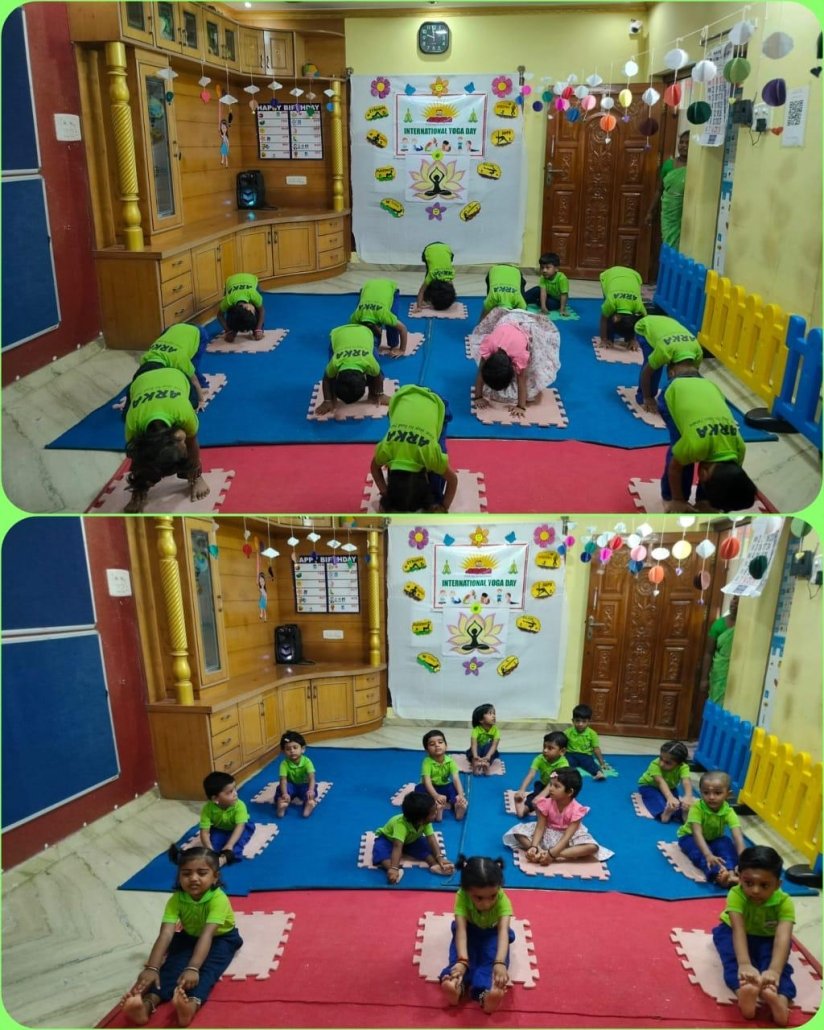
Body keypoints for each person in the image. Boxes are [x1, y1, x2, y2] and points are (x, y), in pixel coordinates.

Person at [120, 845, 243, 1027]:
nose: (193, 878)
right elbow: (166, 933)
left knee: (207, 971)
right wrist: (152, 967)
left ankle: (190, 1007)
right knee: (172, 966)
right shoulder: (176, 899)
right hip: (189, 936)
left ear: (215, 877)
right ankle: (147, 1004)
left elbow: (208, 934)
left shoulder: (219, 899)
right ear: (179, 876)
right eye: (186, 873)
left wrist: (193, 967)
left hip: (221, 938)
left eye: (202, 873)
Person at [712, 845, 796, 1025]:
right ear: (739, 877)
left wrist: (774, 970)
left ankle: (780, 1001)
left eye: (764, 885)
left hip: (768, 938)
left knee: (780, 968)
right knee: (731, 960)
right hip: (733, 932)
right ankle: (744, 993)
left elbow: (783, 937)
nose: (755, 890)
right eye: (749, 883)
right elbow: (738, 929)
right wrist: (744, 963)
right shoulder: (736, 894)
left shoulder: (785, 902)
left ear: (778, 884)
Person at [657, 364, 757, 514]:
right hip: (674, 391)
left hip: (709, 387)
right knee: (680, 453)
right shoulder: (695, 445)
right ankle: (670, 496)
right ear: (703, 475)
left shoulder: (739, 448)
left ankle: (703, 500)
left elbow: (729, 483)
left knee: (715, 478)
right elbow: (674, 468)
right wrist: (678, 499)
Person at [123, 360, 208, 514]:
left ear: (178, 435)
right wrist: (139, 487)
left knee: (192, 411)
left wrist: (196, 473)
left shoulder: (184, 414)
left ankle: (195, 478)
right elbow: (137, 460)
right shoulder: (133, 425)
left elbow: (192, 442)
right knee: (144, 460)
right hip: (141, 381)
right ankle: (140, 492)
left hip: (176, 376)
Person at [439, 855, 515, 1014]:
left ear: (498, 888)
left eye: (492, 896)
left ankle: (484, 996)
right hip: (469, 931)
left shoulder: (503, 900)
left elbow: (503, 932)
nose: (486, 904)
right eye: (479, 898)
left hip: (493, 934)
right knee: (459, 963)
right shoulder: (462, 896)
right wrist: (462, 960)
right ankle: (456, 986)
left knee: (490, 962)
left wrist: (500, 962)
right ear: (467, 890)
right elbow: (461, 930)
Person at [370, 385, 458, 513]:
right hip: (401, 398)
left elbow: (453, 480)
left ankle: (434, 498)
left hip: (434, 401)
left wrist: (443, 506)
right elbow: (374, 468)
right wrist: (384, 492)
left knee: (440, 458)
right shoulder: (387, 450)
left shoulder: (430, 454)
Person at [468, 307, 561, 420]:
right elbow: (480, 372)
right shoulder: (488, 346)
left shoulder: (519, 355)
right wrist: (478, 397)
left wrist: (520, 407)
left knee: (533, 365)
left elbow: (521, 380)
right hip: (506, 322)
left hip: (526, 325)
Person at [503, 767, 607, 864]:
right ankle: (539, 852)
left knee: (593, 847)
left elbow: (567, 836)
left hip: (567, 838)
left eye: (556, 786)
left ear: (570, 792)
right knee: (517, 833)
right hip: (547, 831)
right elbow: (540, 827)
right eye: (551, 784)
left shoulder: (577, 810)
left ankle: (555, 854)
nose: (551, 789)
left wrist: (552, 854)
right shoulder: (545, 803)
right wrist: (534, 847)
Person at [677, 771, 746, 887]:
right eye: (706, 793)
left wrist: (743, 862)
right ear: (700, 792)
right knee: (698, 853)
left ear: (728, 794)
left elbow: (738, 836)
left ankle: (731, 873)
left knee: (726, 844)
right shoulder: (697, 808)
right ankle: (718, 874)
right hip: (690, 837)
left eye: (718, 793)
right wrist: (708, 854)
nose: (711, 797)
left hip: (715, 838)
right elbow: (697, 833)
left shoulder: (729, 811)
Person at [372, 791, 454, 884]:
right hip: (389, 840)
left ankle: (434, 865)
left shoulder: (426, 822)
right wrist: (394, 867)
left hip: (411, 840)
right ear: (420, 820)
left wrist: (439, 858)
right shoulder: (400, 825)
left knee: (425, 846)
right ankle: (393, 870)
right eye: (433, 813)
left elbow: (431, 839)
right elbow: (397, 846)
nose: (436, 813)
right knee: (380, 850)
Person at [634, 314, 703, 413]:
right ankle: (641, 396)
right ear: (671, 373)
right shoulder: (664, 351)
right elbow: (646, 373)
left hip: (667, 325)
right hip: (644, 326)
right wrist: (647, 398)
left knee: (658, 363)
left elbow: (692, 380)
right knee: (654, 368)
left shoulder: (698, 353)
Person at [316, 323, 388, 415]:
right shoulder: (335, 362)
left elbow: (378, 376)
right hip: (339, 334)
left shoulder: (369, 361)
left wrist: (380, 394)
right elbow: (326, 379)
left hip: (364, 332)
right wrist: (327, 400)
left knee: (376, 367)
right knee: (330, 375)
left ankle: (373, 394)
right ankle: (332, 399)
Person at [646, 130, 690, 251]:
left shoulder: (695, 167)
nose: (683, 146)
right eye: (681, 142)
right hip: (669, 212)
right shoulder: (668, 165)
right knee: (668, 241)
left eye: (687, 143)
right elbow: (659, 190)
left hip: (686, 212)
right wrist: (650, 212)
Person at [198, 772, 255, 864]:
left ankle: (223, 860)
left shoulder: (240, 805)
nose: (235, 794)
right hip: (220, 829)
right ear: (215, 799)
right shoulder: (207, 809)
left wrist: (229, 845)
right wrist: (209, 849)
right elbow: (204, 832)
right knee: (213, 844)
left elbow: (240, 826)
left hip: (241, 827)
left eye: (235, 789)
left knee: (237, 844)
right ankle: (214, 858)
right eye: (230, 792)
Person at [511, 731, 569, 818]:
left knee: (560, 800)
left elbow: (553, 783)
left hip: (557, 788)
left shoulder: (563, 764)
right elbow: (531, 774)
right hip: (543, 785)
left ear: (562, 751)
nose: (545, 750)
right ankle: (523, 809)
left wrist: (541, 797)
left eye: (550, 748)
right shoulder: (539, 759)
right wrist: (522, 790)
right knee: (533, 798)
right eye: (544, 747)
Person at [414, 728, 468, 821]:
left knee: (453, 788)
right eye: (432, 744)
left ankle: (457, 805)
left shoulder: (450, 761)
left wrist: (461, 795)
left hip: (445, 787)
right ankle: (436, 808)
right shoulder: (427, 762)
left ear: (446, 746)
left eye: (440, 742)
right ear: (427, 750)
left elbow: (456, 779)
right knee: (419, 789)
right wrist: (436, 796)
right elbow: (427, 782)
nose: (437, 745)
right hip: (431, 788)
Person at [637, 740, 694, 823]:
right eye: (661, 758)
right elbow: (660, 781)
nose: (662, 764)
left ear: (679, 764)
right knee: (657, 799)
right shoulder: (655, 764)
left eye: (667, 763)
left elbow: (686, 781)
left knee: (676, 805)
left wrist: (688, 796)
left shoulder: (683, 767)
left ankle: (683, 813)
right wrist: (669, 797)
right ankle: (663, 814)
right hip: (649, 786)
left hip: (670, 788)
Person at [349, 278, 409, 354]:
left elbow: (403, 329)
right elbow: (351, 332)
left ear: (380, 328)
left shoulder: (384, 315)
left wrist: (402, 350)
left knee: (392, 325)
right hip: (368, 287)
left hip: (389, 287)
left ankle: (393, 343)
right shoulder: (356, 316)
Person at [700, 596, 740, 707]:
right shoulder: (718, 625)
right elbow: (708, 653)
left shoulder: (747, 626)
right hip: (720, 671)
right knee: (716, 705)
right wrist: (704, 679)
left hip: (739, 673)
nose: (734, 603)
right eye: (734, 599)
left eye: (738, 601)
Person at [598, 265, 646, 348]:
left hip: (634, 275)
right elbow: (604, 318)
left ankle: (629, 338)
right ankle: (609, 337)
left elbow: (644, 323)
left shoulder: (638, 306)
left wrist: (633, 339)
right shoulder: (611, 302)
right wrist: (604, 339)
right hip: (610, 274)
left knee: (630, 327)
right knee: (608, 312)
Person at [275, 730, 317, 818]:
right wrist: (285, 793)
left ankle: (309, 804)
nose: (292, 751)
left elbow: (311, 777)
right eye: (288, 749)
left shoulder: (307, 762)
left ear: (302, 749)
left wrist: (311, 790)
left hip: (304, 785)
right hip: (291, 786)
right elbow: (283, 780)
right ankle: (281, 805)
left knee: (311, 791)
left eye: (295, 747)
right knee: (280, 790)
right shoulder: (284, 764)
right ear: (283, 751)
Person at [564, 704, 609, 781]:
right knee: (564, 764)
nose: (580, 724)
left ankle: (598, 773)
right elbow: (561, 745)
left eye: (584, 721)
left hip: (585, 755)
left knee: (590, 764)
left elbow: (596, 749)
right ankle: (565, 775)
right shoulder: (567, 732)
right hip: (571, 754)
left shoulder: (592, 734)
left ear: (589, 722)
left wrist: (602, 763)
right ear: (573, 721)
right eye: (577, 721)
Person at [217, 272, 264, 342]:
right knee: (235, 320)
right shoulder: (228, 300)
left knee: (257, 308)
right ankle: (234, 328)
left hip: (250, 279)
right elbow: (219, 315)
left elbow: (262, 311)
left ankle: (255, 328)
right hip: (231, 281)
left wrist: (258, 329)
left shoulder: (253, 295)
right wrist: (228, 331)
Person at [524, 252, 569, 317]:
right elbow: (543, 293)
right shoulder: (543, 277)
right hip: (548, 295)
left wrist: (562, 309)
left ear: (556, 268)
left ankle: (536, 301)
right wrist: (543, 307)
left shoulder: (562, 278)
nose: (544, 270)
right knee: (536, 289)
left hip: (557, 300)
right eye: (542, 268)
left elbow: (564, 294)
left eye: (548, 268)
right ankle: (521, 300)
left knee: (550, 304)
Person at [415, 242, 457, 311]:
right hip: (430, 248)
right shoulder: (430, 276)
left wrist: (419, 307)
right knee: (429, 270)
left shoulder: (449, 277)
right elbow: (421, 291)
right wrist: (419, 306)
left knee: (444, 261)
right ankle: (427, 297)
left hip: (446, 249)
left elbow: (451, 291)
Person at [466, 703, 501, 775]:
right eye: (490, 714)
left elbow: (494, 745)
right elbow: (474, 744)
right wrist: (475, 756)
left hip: (488, 751)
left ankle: (486, 764)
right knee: (471, 751)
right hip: (477, 750)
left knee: (492, 749)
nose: (494, 716)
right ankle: (475, 763)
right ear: (481, 720)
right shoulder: (476, 730)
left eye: (494, 714)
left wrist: (488, 756)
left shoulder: (496, 731)